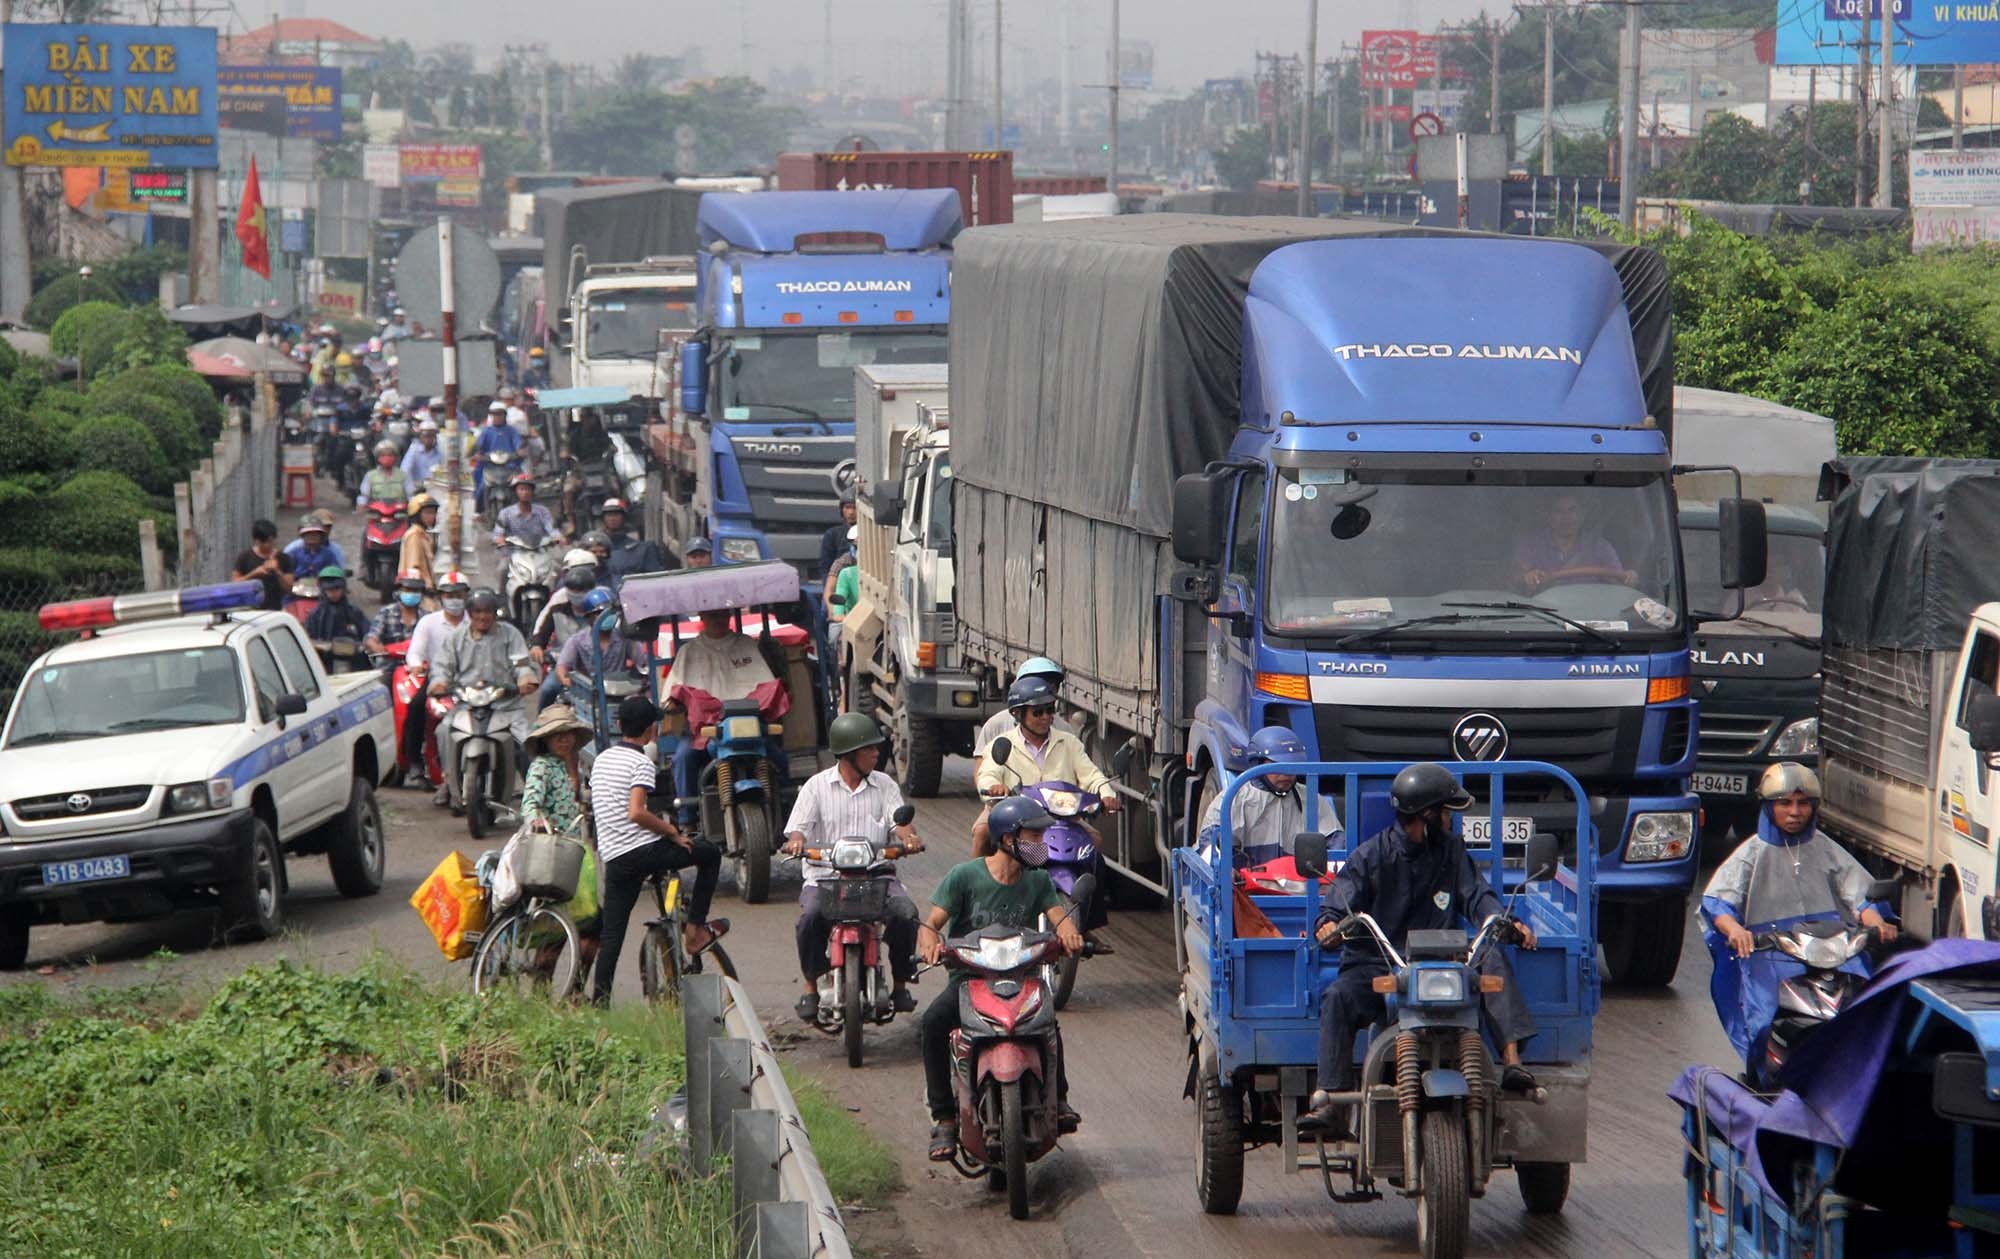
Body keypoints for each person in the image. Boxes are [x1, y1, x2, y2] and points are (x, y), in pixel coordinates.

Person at [1298, 762, 1540, 1139]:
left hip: (1443, 964)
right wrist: (1327, 925)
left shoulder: (1452, 852)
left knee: (1491, 956)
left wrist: (1504, 923)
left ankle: (1511, 1062)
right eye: (1445, 812)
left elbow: (1477, 896)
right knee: (1338, 996)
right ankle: (1331, 1100)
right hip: (1381, 965)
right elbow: (1336, 903)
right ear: (1426, 817)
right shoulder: (1371, 855)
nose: (1450, 820)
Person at [917, 795, 1084, 1160]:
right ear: (1009, 838)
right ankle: (944, 1117)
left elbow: (1060, 917)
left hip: (1019, 982)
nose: (1041, 845)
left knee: (1047, 1023)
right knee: (932, 1024)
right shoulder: (965, 877)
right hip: (968, 982)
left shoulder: (1038, 881)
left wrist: (1070, 934)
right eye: (1034, 837)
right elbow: (931, 924)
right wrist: (930, 943)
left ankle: (1060, 1098)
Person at [1701, 762, 1897, 1066]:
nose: (1795, 812)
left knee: (1872, 1008)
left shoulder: (1827, 849)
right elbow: (1719, 904)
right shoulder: (1750, 854)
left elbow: (1861, 897)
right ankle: (1764, 1076)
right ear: (1768, 807)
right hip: (1772, 954)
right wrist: (1735, 931)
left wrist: (1878, 923)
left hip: (1832, 950)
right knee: (1764, 1019)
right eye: (1785, 803)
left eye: (1803, 803)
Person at [782, 712, 925, 1021]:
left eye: (876, 748)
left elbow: (900, 823)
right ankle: (809, 987)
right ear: (848, 755)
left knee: (905, 914)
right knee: (809, 920)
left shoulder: (885, 785)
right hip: (826, 879)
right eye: (868, 750)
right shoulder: (815, 787)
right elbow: (798, 830)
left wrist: (909, 838)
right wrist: (796, 842)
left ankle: (900, 983)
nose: (877, 753)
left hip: (877, 877)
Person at [588, 694, 727, 1003]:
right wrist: (671, 831)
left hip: (614, 857)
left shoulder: (602, 760)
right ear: (651, 729)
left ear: (619, 725)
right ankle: (694, 931)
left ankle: (599, 1003)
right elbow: (636, 812)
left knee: (612, 934)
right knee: (709, 853)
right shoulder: (641, 762)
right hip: (643, 851)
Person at [972, 675, 1119, 857]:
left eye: (1050, 710)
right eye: (1038, 712)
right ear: (1017, 713)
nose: (1046, 717)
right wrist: (993, 787)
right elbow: (987, 774)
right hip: (1013, 818)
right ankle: (980, 883)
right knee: (982, 833)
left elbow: (1092, 775)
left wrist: (1107, 795)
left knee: (1094, 840)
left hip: (1062, 819)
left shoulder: (1069, 742)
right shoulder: (1002, 744)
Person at [663, 608, 781, 829]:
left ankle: (786, 811)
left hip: (748, 723)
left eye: (722, 615)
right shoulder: (689, 651)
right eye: (712, 615)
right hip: (705, 729)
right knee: (683, 758)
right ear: (702, 617)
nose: (718, 620)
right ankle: (687, 820)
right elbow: (672, 692)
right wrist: (673, 702)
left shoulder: (745, 645)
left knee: (779, 759)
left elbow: (766, 684)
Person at [427, 590, 536, 815]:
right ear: (470, 614)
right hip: (466, 705)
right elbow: (442, 666)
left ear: (494, 614)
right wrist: (438, 683)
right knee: (443, 731)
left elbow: (522, 663)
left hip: (505, 704)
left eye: (487, 611)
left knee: (527, 743)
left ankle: (536, 796)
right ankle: (450, 782)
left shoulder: (510, 635)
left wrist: (525, 678)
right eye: (477, 611)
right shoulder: (457, 637)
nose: (483, 617)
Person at [518, 704, 601, 959]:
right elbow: (530, 803)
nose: (565, 739)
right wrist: (536, 821)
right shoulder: (542, 766)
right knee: (577, 927)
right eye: (558, 735)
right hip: (551, 856)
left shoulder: (566, 765)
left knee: (577, 929)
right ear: (546, 740)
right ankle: (568, 992)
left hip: (569, 856)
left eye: (569, 734)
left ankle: (566, 991)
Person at [1198, 726, 1345, 867]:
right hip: (1243, 889)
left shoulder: (1312, 799)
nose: (1286, 773)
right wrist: (1223, 870)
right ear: (1258, 764)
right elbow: (1208, 846)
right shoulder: (1232, 799)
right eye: (1277, 764)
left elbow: (1337, 846)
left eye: (1292, 765)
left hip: (1299, 890)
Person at [407, 571, 472, 798]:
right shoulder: (428, 622)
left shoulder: (475, 621)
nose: (454, 599)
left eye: (459, 594)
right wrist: (416, 665)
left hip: (473, 679)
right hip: (439, 678)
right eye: (449, 594)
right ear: (441, 597)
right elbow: (415, 652)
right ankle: (414, 762)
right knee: (415, 707)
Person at [1514, 493, 1636, 594]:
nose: (1566, 517)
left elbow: (1620, 584)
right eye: (1559, 511)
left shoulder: (1600, 547)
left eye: (1572, 510)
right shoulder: (1531, 545)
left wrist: (1629, 578)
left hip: (1592, 614)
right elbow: (1515, 579)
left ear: (1581, 515)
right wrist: (1528, 576)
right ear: (1548, 516)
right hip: (1545, 614)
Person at [554, 596, 651, 714]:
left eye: (609, 613)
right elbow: (562, 667)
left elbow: (643, 661)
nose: (606, 617)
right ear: (588, 617)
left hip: (621, 692)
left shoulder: (624, 637)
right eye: (599, 614)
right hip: (588, 695)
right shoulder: (577, 641)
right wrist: (567, 680)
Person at [973, 657, 1074, 761]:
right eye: (1037, 713)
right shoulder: (996, 726)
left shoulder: (1064, 731)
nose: (1045, 717)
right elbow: (981, 769)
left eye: (1052, 686)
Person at [232, 518, 296, 610]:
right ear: (257, 541)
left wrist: (278, 572)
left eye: (272, 541)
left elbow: (289, 588)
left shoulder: (283, 558)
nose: (269, 545)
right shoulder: (245, 557)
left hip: (275, 609)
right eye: (266, 542)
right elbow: (235, 585)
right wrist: (254, 574)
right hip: (250, 609)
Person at [600, 497, 667, 584]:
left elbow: (655, 579)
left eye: (616, 514)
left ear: (624, 517)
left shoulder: (642, 548)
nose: (612, 518)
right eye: (609, 515)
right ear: (604, 518)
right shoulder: (597, 549)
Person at [365, 569, 428, 654]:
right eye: (407, 590)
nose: (411, 593)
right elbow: (372, 637)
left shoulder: (426, 617)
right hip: (390, 662)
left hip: (419, 663)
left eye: (415, 590)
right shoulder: (386, 612)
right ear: (398, 591)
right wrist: (375, 646)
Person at [303, 566, 370, 647]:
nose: (333, 594)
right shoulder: (315, 615)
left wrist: (368, 641)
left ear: (343, 589)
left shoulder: (354, 612)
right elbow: (307, 637)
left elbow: (368, 632)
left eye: (337, 589)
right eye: (329, 590)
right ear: (323, 591)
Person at [472, 402, 524, 500]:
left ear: (505, 416)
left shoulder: (511, 430)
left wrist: (520, 451)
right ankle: (479, 510)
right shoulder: (486, 431)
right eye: (495, 415)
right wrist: (477, 454)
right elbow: (478, 446)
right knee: (480, 488)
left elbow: (518, 444)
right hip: (490, 466)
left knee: (523, 485)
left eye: (500, 414)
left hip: (510, 466)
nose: (497, 417)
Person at [492, 473, 560, 548]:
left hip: (539, 550)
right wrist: (500, 539)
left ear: (532, 491)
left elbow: (551, 528)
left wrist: (558, 537)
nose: (525, 492)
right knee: (503, 560)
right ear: (515, 492)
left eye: (528, 489)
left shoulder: (542, 511)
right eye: (521, 489)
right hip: (513, 552)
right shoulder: (505, 513)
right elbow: (498, 532)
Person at [356, 440, 412, 511]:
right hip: (376, 513)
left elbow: (411, 495)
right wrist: (361, 504)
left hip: (399, 513)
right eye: (383, 455)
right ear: (378, 458)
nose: (387, 458)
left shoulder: (404, 475)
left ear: (395, 457)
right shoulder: (370, 475)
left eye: (390, 455)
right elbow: (364, 495)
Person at [398, 494, 440, 586]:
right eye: (428, 512)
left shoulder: (424, 535)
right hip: (418, 589)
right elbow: (414, 567)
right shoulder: (415, 535)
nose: (432, 516)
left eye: (433, 513)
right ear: (417, 514)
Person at [819, 492, 859, 579]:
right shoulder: (832, 534)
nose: (851, 512)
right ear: (842, 509)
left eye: (855, 508)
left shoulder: (870, 535)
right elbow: (826, 569)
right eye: (847, 507)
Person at [400, 419, 442, 490]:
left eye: (431, 436)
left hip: (436, 490)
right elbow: (405, 471)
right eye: (425, 436)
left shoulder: (440, 451)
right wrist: (412, 491)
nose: (428, 439)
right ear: (420, 436)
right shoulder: (414, 450)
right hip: (418, 489)